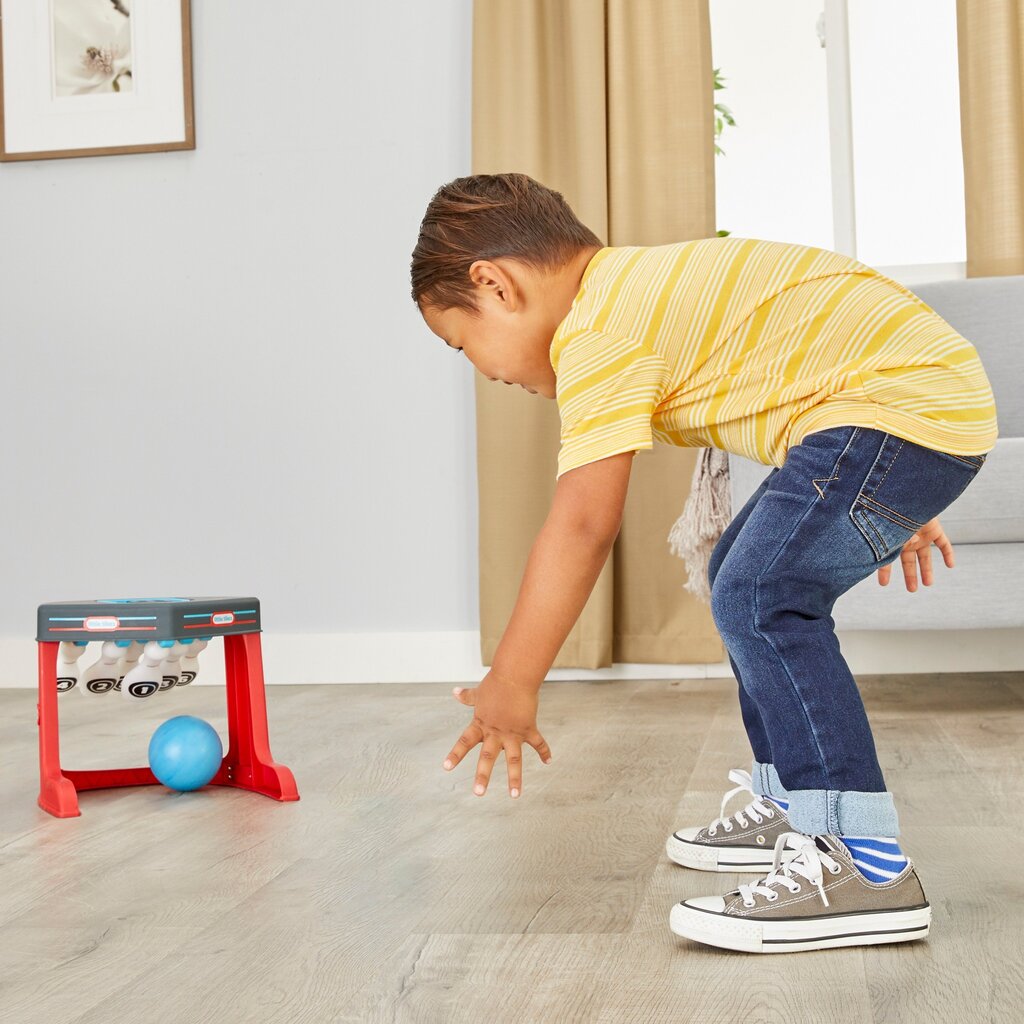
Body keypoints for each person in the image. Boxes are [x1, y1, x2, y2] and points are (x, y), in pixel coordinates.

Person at [409, 172, 998, 954]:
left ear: (495, 284)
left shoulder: (597, 331)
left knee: (762, 592)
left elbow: (584, 521)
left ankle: (865, 864)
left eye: (462, 343)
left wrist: (511, 681)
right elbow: (807, 357)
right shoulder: (632, 293)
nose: (485, 372)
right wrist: (892, 484)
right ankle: (798, 802)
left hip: (899, 406)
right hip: (899, 409)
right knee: (738, 578)